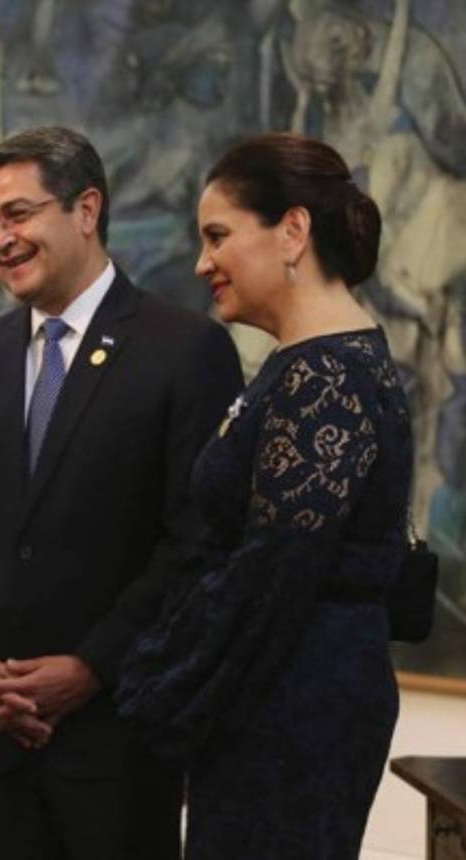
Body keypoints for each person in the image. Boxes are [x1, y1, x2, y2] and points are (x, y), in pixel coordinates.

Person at [0, 126, 242, 860]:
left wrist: (90, 667)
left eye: (18, 215)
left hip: (118, 740)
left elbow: (197, 543)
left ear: (86, 210)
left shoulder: (184, 349)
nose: (1, 240)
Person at [115, 133, 414, 857]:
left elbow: (270, 574)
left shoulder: (326, 377)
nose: (202, 262)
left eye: (218, 236)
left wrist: (160, 685)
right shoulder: (310, 365)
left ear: (293, 231)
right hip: (280, 692)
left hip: (294, 703)